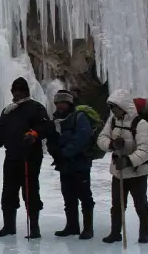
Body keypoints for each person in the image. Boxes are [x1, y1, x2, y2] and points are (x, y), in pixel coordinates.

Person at [0, 77, 54, 239]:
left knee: (30, 192)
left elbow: (46, 126)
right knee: (8, 192)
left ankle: (34, 228)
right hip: (12, 156)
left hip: (30, 156)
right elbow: (0, 134)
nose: (17, 93)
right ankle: (9, 226)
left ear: (26, 92)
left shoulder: (36, 108)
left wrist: (34, 134)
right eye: (15, 90)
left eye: (21, 90)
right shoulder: (8, 111)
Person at [96, 89, 148, 244]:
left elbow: (146, 151)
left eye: (115, 107)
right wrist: (111, 144)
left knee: (140, 204)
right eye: (111, 108)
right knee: (117, 205)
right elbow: (101, 138)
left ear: (124, 106)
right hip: (118, 171)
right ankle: (115, 233)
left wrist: (128, 161)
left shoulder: (141, 124)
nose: (113, 110)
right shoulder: (113, 121)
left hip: (137, 173)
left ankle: (144, 233)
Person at [49, 89, 95, 239]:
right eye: (57, 103)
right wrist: (54, 152)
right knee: (68, 197)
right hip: (64, 165)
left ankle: (88, 228)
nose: (60, 106)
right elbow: (52, 139)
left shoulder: (79, 117)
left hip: (80, 163)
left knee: (85, 197)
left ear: (69, 103)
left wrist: (64, 153)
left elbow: (82, 137)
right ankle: (72, 226)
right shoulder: (55, 120)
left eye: (63, 102)